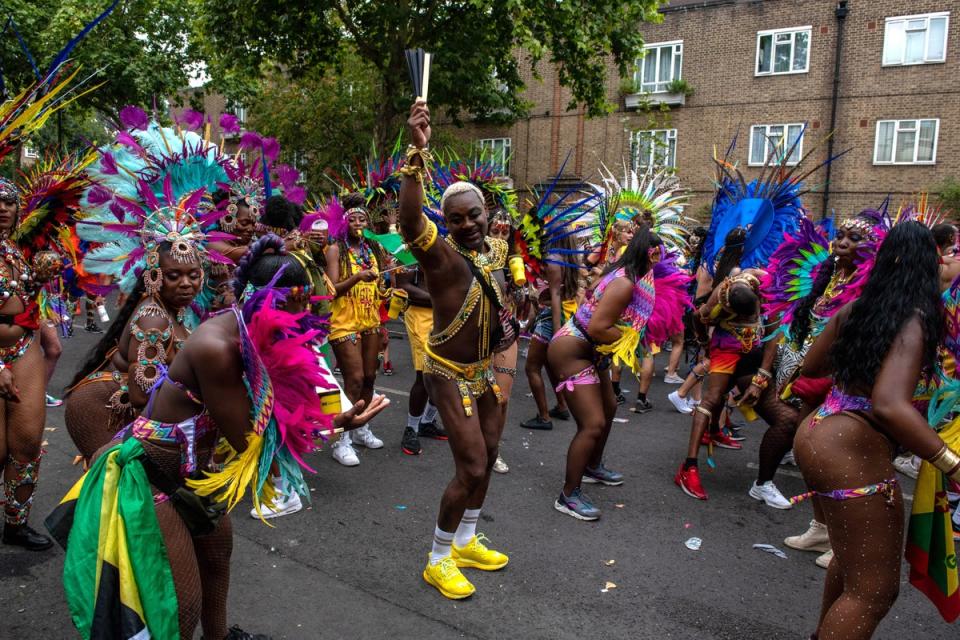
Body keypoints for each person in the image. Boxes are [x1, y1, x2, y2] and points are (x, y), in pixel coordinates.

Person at [55, 234, 389, 640]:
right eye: (289, 309)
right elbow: (252, 435)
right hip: (152, 480)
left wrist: (328, 413)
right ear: (263, 303)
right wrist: (337, 426)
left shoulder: (247, 331)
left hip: (195, 471)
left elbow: (274, 402)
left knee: (217, 553)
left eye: (303, 308)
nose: (298, 319)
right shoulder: (218, 346)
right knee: (181, 606)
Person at [794, 221, 960, 640]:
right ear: (930, 264)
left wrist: (862, 358)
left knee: (850, 563)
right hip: (850, 447)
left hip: (818, 432)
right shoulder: (915, 318)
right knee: (873, 591)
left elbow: (811, 366)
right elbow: (889, 404)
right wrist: (951, 462)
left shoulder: (859, 308)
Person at [399, 100, 514, 599]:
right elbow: (408, 223)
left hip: (484, 371)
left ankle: (466, 540)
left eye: (474, 215)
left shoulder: (494, 251)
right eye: (455, 218)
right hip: (446, 373)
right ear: (444, 222)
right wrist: (415, 155)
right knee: (468, 466)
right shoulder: (442, 258)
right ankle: (438, 557)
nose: (466, 223)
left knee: (488, 456)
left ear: (486, 213)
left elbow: (500, 299)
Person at [549, 228, 690, 521]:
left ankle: (592, 467)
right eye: (657, 255)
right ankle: (568, 494)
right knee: (592, 423)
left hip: (590, 351)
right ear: (648, 254)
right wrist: (630, 339)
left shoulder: (627, 275)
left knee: (610, 406)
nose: (659, 262)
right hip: (571, 351)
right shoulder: (625, 283)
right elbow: (599, 327)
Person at [65, 242, 201, 463]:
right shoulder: (153, 318)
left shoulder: (173, 310)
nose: (186, 284)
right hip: (100, 408)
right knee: (125, 485)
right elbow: (141, 395)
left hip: (131, 409)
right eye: (174, 276)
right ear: (154, 277)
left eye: (193, 275)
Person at [324, 193, 392, 465]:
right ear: (343, 224)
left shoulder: (374, 251)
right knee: (352, 379)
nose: (357, 223)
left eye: (362, 219)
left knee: (369, 378)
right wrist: (356, 278)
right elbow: (330, 290)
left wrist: (386, 289)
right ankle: (342, 440)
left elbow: (379, 290)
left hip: (370, 321)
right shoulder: (335, 249)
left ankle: (362, 426)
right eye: (352, 219)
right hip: (344, 322)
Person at [520, 233, 580, 431]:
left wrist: (557, 335)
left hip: (550, 318)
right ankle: (562, 406)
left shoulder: (553, 261)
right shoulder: (566, 260)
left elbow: (554, 296)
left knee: (531, 368)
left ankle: (544, 417)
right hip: (552, 314)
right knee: (547, 365)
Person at [396, 264, 448, 455]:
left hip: (444, 316)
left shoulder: (449, 246)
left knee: (444, 373)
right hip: (420, 316)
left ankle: (427, 422)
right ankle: (411, 428)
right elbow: (404, 286)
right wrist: (440, 299)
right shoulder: (409, 253)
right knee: (425, 374)